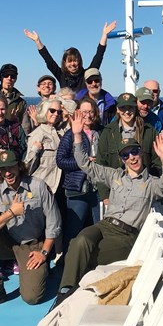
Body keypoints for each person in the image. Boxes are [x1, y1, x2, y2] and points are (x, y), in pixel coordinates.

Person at [56, 113, 163, 297]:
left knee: (91, 254)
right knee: (79, 241)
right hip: (105, 226)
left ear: (141, 153)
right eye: (126, 155)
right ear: (122, 160)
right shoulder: (115, 176)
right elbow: (85, 165)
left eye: (134, 152)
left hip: (127, 235)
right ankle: (65, 291)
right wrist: (78, 136)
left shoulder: (152, 183)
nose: (132, 158)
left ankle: (76, 291)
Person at [0, 150, 62, 311]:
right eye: (3, 169)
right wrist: (11, 213)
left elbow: (54, 222)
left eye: (11, 167)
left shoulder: (38, 186)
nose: (8, 173)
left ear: (20, 166)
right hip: (7, 242)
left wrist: (43, 252)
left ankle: (41, 269)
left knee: (31, 297)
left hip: (32, 244)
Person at [56, 98, 102, 245]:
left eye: (91, 112)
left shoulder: (101, 132)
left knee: (99, 229)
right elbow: (60, 160)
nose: (87, 115)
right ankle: (68, 263)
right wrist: (82, 162)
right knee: (73, 230)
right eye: (84, 112)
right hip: (77, 190)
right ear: (78, 114)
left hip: (98, 190)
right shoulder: (70, 135)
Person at [23, 20, 117, 93]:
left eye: (75, 60)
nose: (72, 64)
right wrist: (37, 41)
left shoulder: (87, 75)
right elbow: (48, 60)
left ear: (79, 61)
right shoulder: (61, 75)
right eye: (69, 61)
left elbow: (99, 56)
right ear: (65, 63)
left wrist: (104, 35)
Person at [96, 92, 161, 176]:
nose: (127, 112)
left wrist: (151, 185)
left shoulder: (149, 131)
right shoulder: (108, 132)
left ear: (135, 109)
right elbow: (101, 164)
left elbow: (157, 162)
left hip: (144, 185)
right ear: (118, 110)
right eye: (123, 108)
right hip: (116, 186)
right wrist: (105, 189)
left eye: (130, 107)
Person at [24, 98, 63, 193]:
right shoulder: (38, 134)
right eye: (52, 111)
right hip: (43, 187)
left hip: (59, 187)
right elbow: (27, 167)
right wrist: (35, 151)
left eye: (59, 112)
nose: (56, 114)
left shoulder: (61, 133)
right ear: (45, 111)